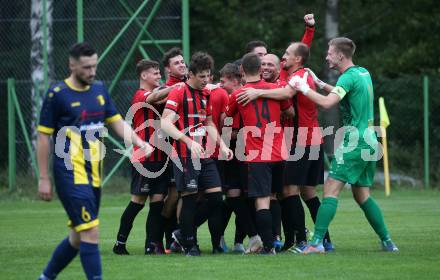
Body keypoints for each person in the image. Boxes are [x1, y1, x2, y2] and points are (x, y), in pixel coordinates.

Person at [238, 37, 399, 254]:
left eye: (330, 53)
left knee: (327, 189)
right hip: (370, 139)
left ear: (340, 55)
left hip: (352, 140)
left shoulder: (314, 76)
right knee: (361, 195)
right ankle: (387, 241)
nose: (326, 56)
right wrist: (321, 84)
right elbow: (344, 93)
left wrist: (302, 88)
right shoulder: (362, 72)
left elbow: (326, 102)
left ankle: (314, 243)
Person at [37, 42, 153, 280]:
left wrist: (139, 142)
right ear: (72, 65)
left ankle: (46, 277)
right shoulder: (57, 94)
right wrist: (43, 177)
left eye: (95, 66)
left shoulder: (99, 89)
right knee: (91, 231)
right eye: (86, 67)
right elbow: (43, 136)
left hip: (94, 174)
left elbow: (117, 122)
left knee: (77, 238)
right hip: (70, 173)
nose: (92, 72)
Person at [161, 52, 233, 256]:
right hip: (184, 154)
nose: (206, 80)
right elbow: (165, 123)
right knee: (190, 199)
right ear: (190, 74)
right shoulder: (178, 92)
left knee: (217, 198)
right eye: (201, 76)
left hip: (205, 154)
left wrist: (223, 145)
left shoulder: (205, 95)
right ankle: (190, 244)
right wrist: (188, 141)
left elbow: (208, 122)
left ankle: (182, 234)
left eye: (208, 76)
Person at [225, 53, 294, 254]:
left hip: (258, 155)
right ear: (261, 69)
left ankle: (269, 247)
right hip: (280, 153)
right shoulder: (276, 89)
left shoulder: (239, 94)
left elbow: (226, 119)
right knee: (273, 197)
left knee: (261, 201)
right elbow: (290, 113)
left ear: (241, 70)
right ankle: (277, 240)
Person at [113, 59, 182, 255]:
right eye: (155, 73)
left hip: (161, 157)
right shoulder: (140, 95)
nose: (159, 75)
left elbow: (162, 99)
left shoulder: (158, 95)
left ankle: (151, 245)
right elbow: (155, 97)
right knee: (138, 202)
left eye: (159, 72)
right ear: (143, 76)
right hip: (144, 158)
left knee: (158, 201)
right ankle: (120, 243)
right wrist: (177, 86)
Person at [219, 63, 263, 254]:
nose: (220, 84)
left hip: (241, 153)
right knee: (237, 197)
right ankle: (249, 239)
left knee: (241, 197)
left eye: (223, 81)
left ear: (235, 80)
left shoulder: (240, 97)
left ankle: (255, 238)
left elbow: (233, 132)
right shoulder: (237, 95)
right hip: (240, 152)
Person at [161, 47, 187, 252]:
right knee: (173, 196)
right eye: (176, 63)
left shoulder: (191, 85)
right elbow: (152, 98)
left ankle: (179, 237)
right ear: (168, 69)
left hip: (189, 147)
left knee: (187, 194)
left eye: (182, 61)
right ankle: (165, 235)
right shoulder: (167, 89)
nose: (182, 64)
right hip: (170, 150)